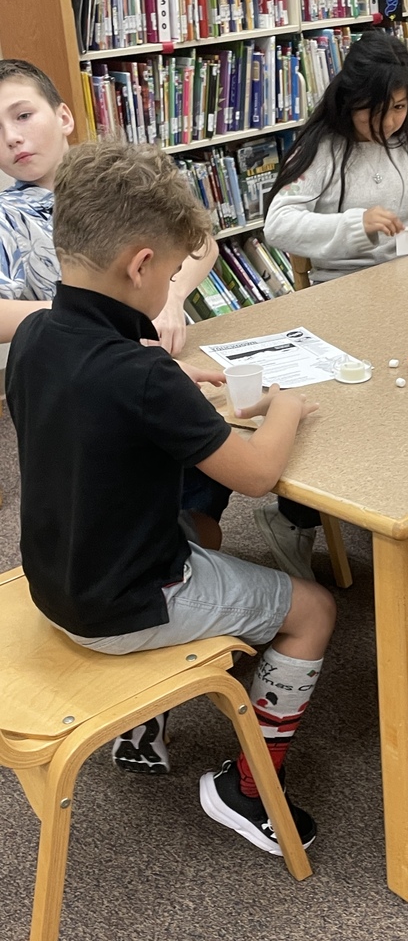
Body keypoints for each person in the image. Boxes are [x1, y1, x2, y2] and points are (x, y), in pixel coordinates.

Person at [6, 140, 336, 856]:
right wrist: (286, 406)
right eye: (171, 272)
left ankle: (148, 713)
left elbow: (99, 413)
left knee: (202, 531)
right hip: (124, 605)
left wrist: (169, 383)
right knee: (314, 610)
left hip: (57, 580)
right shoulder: (143, 378)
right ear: (141, 264)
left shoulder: (33, 337)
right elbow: (254, 477)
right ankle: (250, 789)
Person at [259, 30, 408, 578]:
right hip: (341, 300)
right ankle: (294, 520)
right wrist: (351, 225)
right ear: (349, 101)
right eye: (377, 112)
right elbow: (278, 223)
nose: (390, 123)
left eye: (402, 107)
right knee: (336, 411)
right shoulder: (323, 149)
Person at [0, 58, 217, 352]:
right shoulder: (8, 217)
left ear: (63, 117)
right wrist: (85, 312)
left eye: (23, 115)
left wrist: (173, 298)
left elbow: (202, 243)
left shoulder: (118, 174)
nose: (11, 137)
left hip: (169, 351)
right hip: (85, 369)